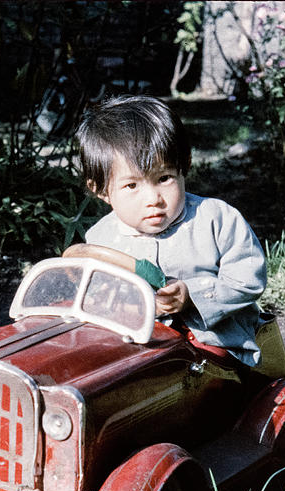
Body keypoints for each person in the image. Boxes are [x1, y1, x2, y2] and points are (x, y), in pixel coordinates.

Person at [75, 95, 267, 367]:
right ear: (101, 190)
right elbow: (97, 297)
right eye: (132, 186)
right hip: (137, 346)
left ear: (184, 165)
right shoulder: (101, 240)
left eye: (164, 179)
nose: (153, 198)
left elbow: (248, 280)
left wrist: (193, 295)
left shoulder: (216, 219)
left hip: (213, 347)